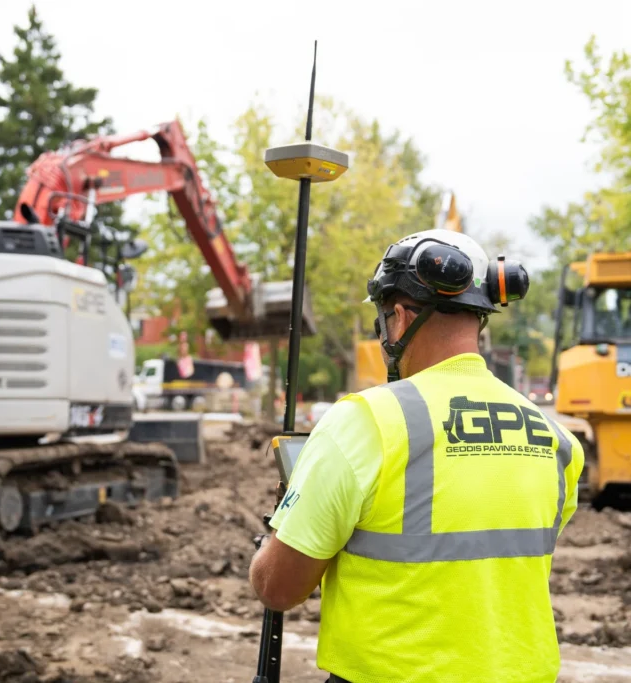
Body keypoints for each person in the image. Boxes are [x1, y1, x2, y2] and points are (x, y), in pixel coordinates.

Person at [249, 229, 585, 683]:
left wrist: (277, 536)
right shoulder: (556, 439)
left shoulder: (366, 423)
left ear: (401, 319)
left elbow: (278, 588)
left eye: (384, 319)